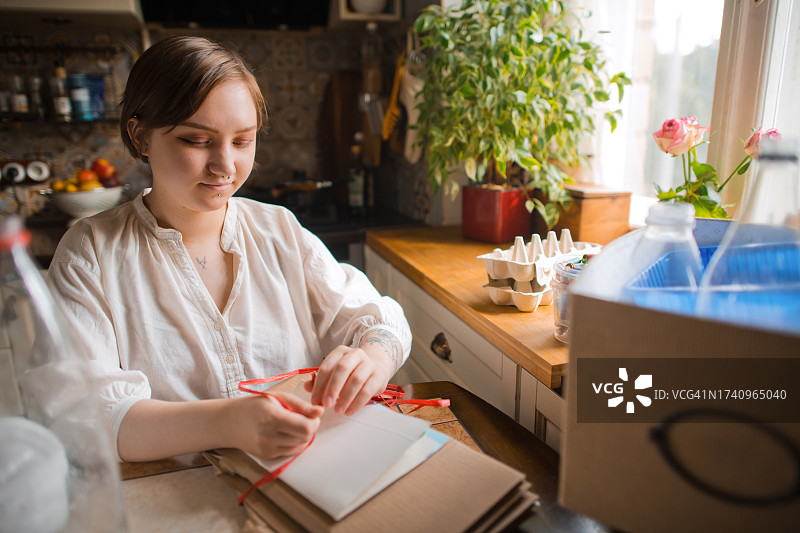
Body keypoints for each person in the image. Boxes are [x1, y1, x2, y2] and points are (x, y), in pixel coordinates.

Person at [47, 36, 411, 464]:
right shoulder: (90, 253)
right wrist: (229, 422)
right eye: (197, 141)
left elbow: (380, 319)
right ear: (140, 135)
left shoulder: (278, 230)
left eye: (242, 141)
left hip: (304, 481)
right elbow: (89, 419)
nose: (225, 166)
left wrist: (372, 359)